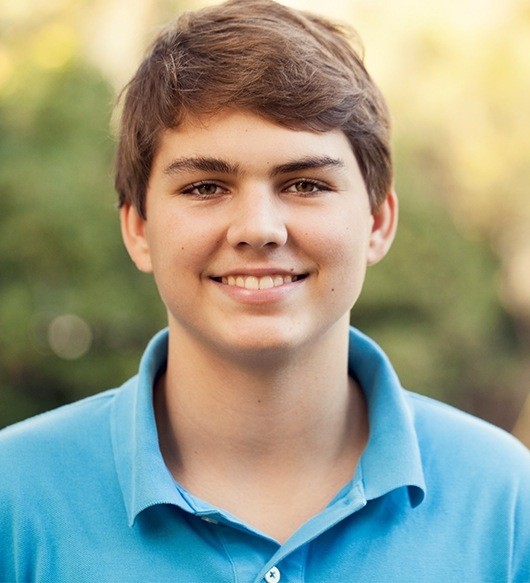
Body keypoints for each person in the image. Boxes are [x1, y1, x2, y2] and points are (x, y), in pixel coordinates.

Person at [1, 0, 529, 581]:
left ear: (377, 221)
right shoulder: (17, 496)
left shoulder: (504, 502)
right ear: (139, 228)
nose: (258, 229)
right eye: (205, 187)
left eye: (304, 183)